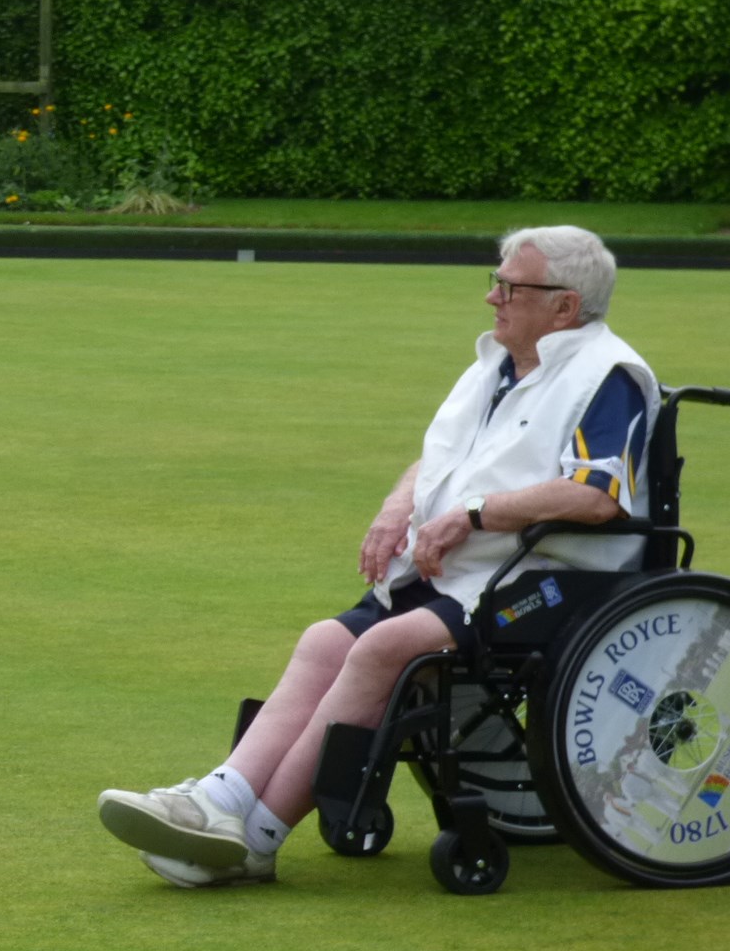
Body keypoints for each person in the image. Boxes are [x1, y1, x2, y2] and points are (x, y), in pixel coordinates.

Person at [97, 226, 657, 888]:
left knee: (381, 650)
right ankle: (218, 802)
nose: (491, 297)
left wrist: (473, 516)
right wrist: (400, 505)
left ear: (564, 306)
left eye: (509, 287)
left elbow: (596, 494)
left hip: (550, 578)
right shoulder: (498, 365)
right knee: (323, 640)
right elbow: (448, 460)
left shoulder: (607, 374)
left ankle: (254, 839)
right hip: (463, 568)